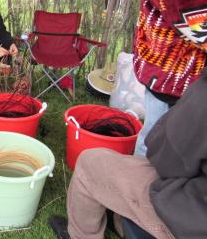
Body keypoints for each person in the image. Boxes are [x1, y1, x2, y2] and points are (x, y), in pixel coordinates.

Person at [49, 66, 207, 239]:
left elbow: (165, 160)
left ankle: (79, 235)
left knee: (89, 162)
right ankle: (121, 223)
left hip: (191, 218)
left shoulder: (203, 95)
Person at [132, 0, 207, 156]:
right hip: (173, 76)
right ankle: (133, 190)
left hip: (159, 64)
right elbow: (201, 29)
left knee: (157, 135)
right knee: (157, 140)